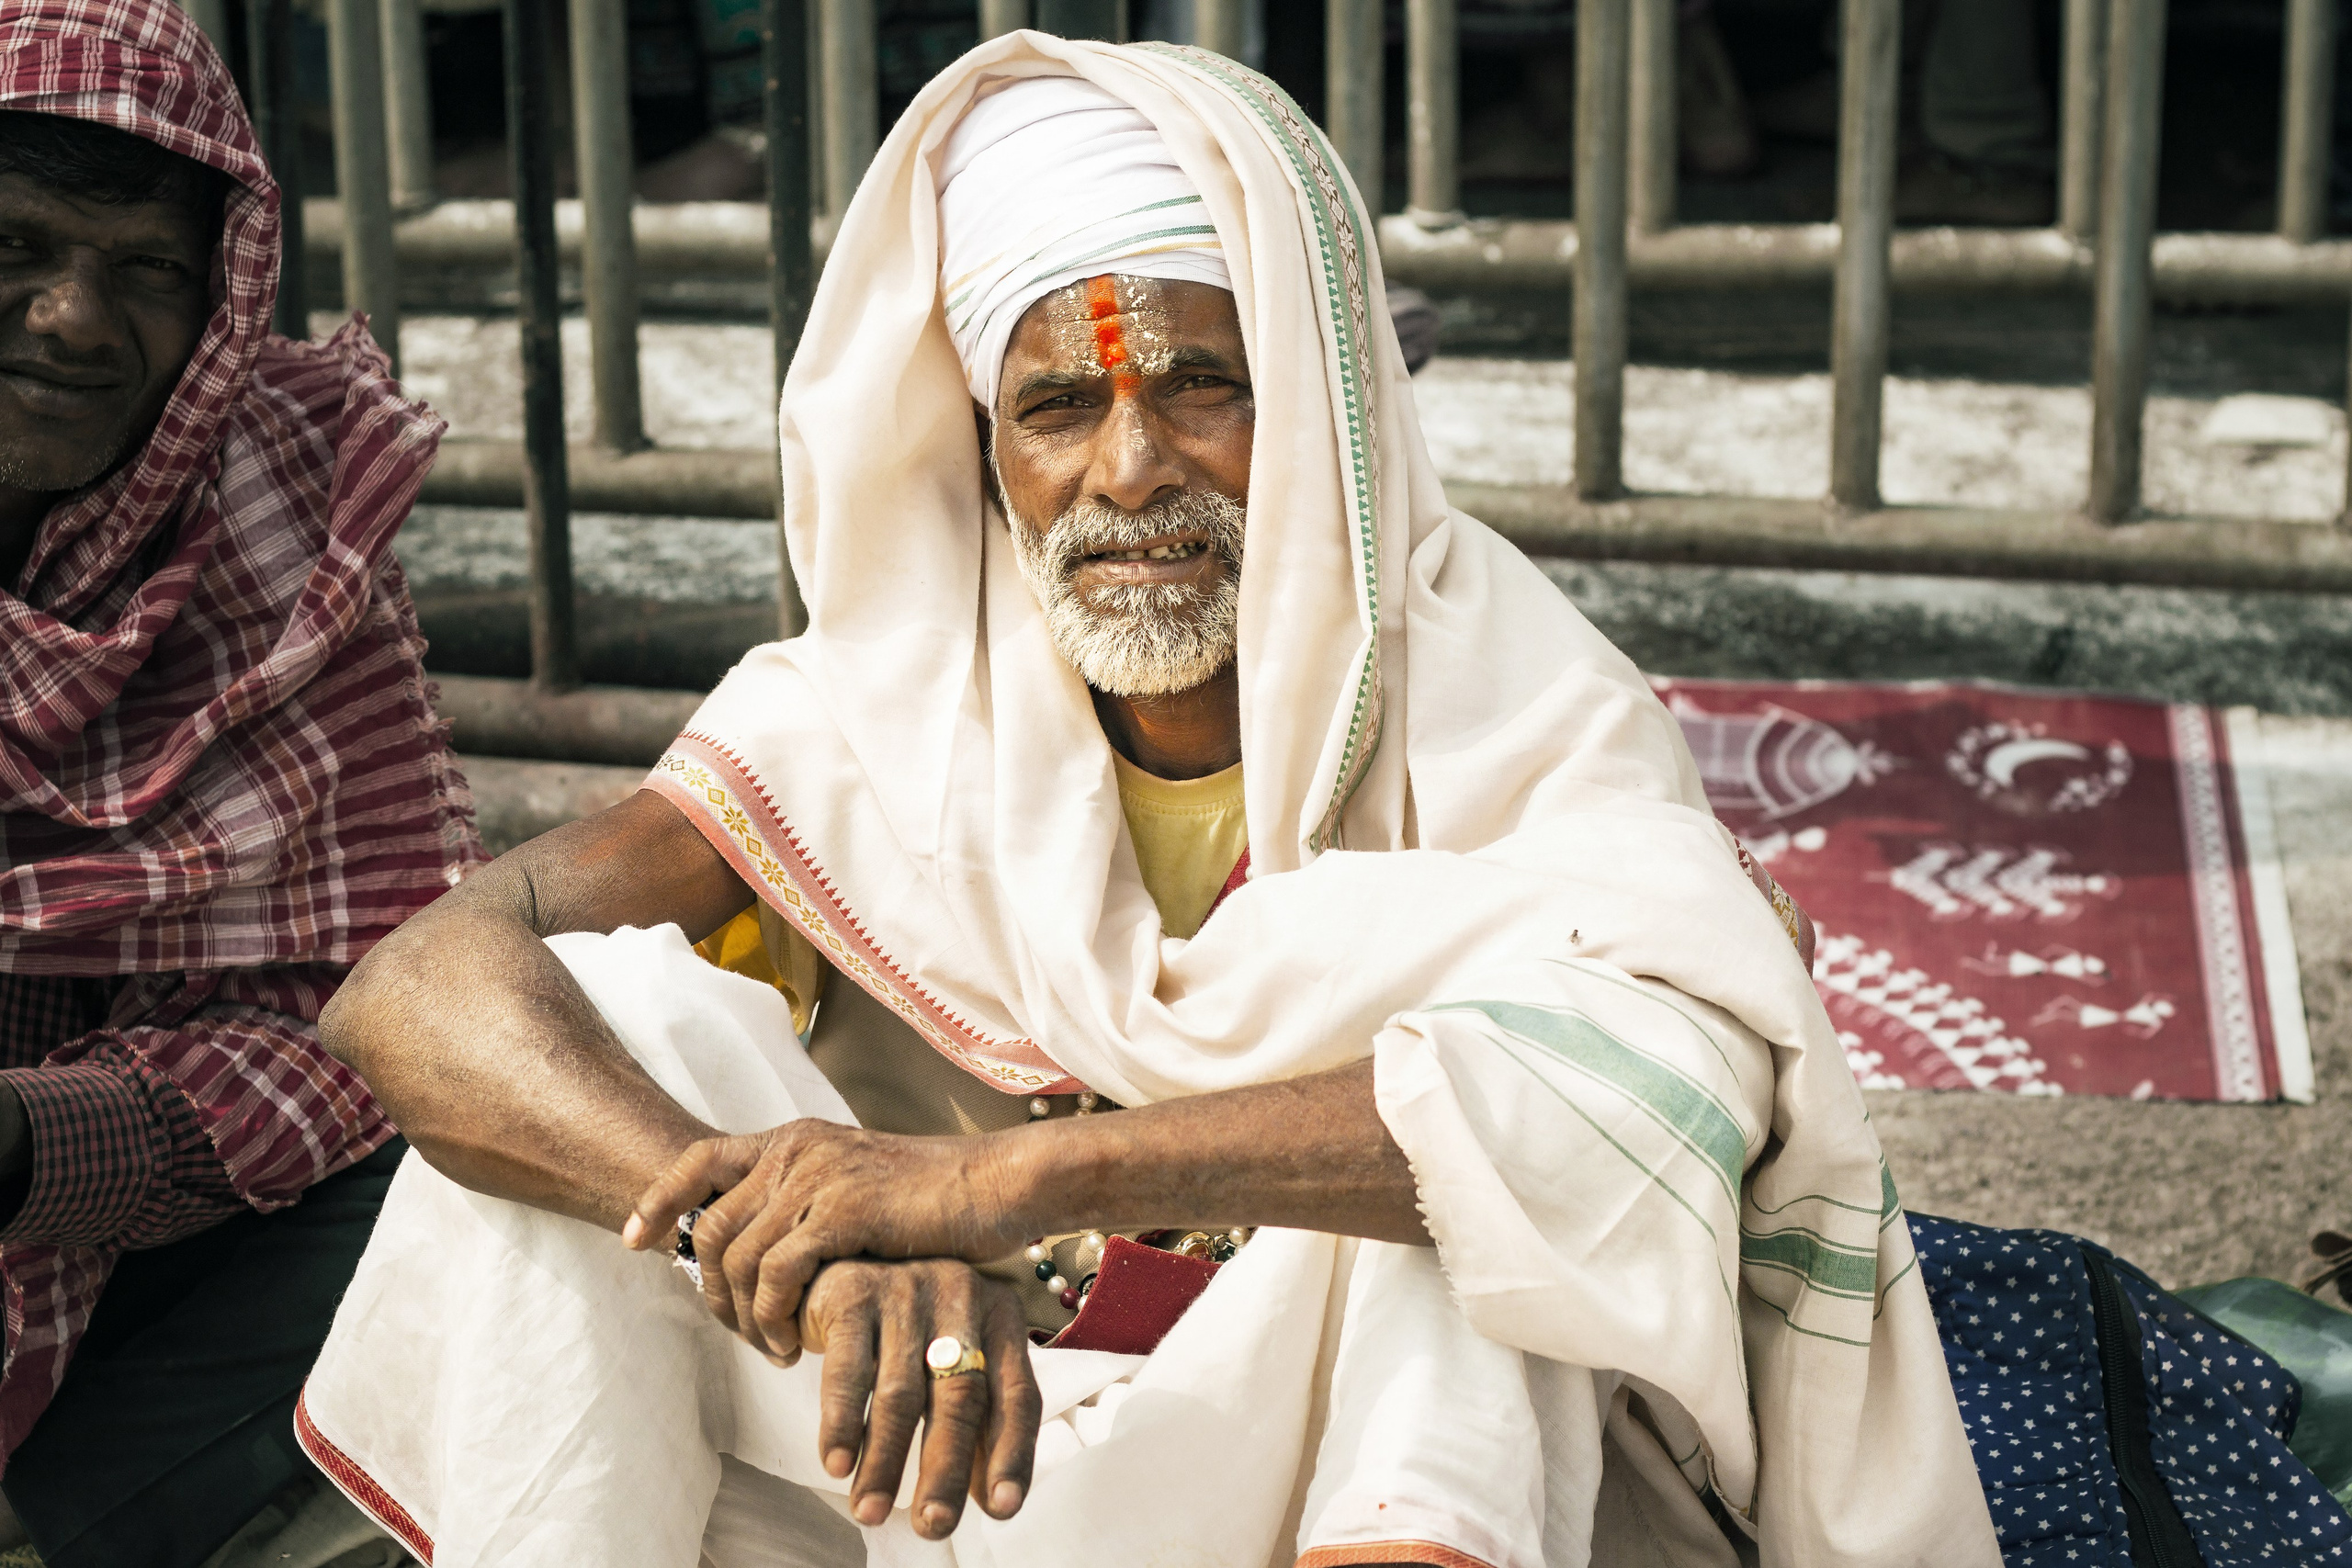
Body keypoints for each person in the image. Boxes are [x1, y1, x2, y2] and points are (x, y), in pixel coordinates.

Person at [300, 33, 1997, 1568]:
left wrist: (986, 1190)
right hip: (944, 1453)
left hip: (1343, 1475)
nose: (1131, 469)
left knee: (1466, 1174)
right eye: (1056, 405)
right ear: (982, 456)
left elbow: (1657, 1104)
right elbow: (424, 983)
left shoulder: (1505, 698)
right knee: (603, 1017)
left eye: (1200, 385)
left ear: (1322, 417)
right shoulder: (864, 721)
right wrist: (814, 1236)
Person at [0, 3, 480, 1563]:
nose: (75, 322)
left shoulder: (275, 512)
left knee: (491, 1156)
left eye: (146, 274)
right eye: (17, 245)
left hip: (102, 1241)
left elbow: (378, 1007)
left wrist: (32, 1145)